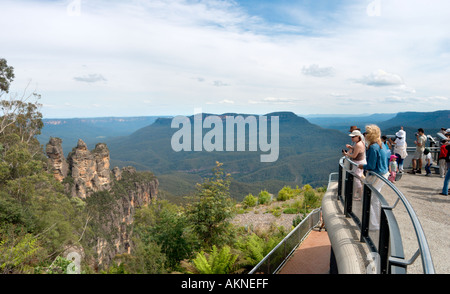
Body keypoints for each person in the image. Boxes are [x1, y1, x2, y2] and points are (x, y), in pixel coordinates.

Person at [358, 125, 389, 230]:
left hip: (376, 175)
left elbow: (371, 165)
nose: (365, 134)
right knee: (375, 199)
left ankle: (372, 224)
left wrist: (362, 166)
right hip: (383, 175)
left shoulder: (373, 147)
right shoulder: (381, 145)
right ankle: (377, 223)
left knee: (367, 199)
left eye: (366, 133)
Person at [343, 130, 366, 200]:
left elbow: (354, 156)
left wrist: (346, 154)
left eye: (353, 137)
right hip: (361, 162)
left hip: (358, 163)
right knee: (358, 178)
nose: (352, 138)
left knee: (357, 179)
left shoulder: (358, 144)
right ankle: (355, 193)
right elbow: (357, 150)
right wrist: (351, 147)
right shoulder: (360, 142)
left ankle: (360, 196)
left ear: (358, 137)